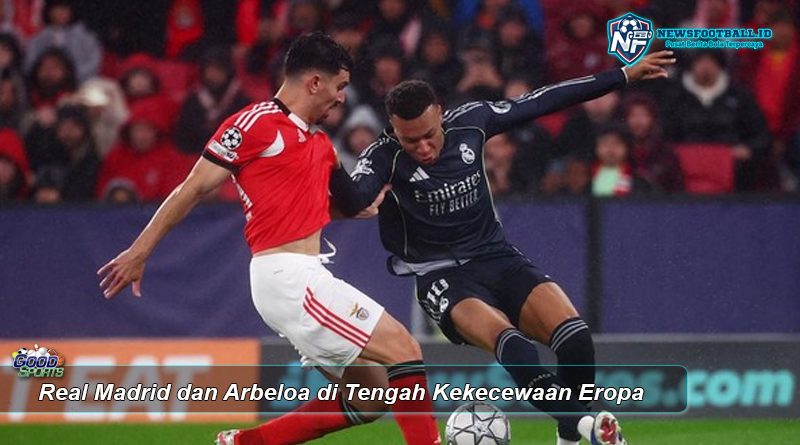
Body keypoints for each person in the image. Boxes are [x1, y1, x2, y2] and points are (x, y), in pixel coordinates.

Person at [97, 32, 440, 445]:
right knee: (404, 349)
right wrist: (140, 251)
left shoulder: (320, 144)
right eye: (340, 86)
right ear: (315, 82)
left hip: (301, 278)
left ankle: (244, 443)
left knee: (371, 396)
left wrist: (366, 202)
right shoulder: (256, 123)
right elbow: (192, 187)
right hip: (288, 278)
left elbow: (343, 202)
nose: (341, 98)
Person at [331, 50, 676, 445]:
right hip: (440, 274)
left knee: (576, 338)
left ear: (440, 113)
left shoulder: (472, 122)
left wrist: (621, 76)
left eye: (429, 135)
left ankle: (570, 435)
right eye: (411, 141)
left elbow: (543, 100)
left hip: (495, 255)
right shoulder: (382, 157)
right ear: (394, 129)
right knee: (512, 342)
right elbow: (354, 196)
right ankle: (587, 424)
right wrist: (334, 166)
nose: (423, 148)